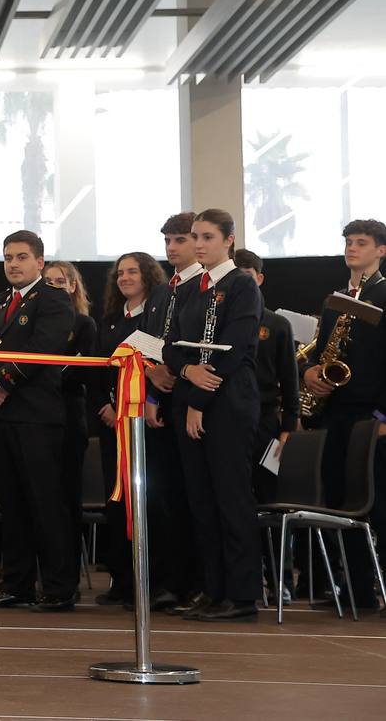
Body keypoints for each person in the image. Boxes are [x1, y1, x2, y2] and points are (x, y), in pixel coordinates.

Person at [162, 209, 263, 622]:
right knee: (201, 500)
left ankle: (241, 595)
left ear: (228, 240)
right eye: (195, 237)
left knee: (230, 498)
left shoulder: (241, 285)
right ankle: (213, 587)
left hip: (227, 404)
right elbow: (169, 346)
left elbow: (236, 347)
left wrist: (199, 400)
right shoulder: (190, 287)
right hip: (191, 402)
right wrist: (186, 372)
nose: (198, 244)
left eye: (206, 237)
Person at [0, 230, 76, 612]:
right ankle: (17, 583)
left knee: (45, 503)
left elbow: (41, 350)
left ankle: (60, 586)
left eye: (20, 257)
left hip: (36, 418)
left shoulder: (54, 300)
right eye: (8, 257)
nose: (12, 264)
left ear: (39, 262)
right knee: (11, 504)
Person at [300, 219, 386, 613]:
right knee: (339, 502)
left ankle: (378, 588)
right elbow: (319, 350)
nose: (352, 248)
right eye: (348, 242)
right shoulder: (334, 300)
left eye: (361, 242)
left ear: (380, 250)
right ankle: (355, 591)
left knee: (377, 505)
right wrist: (311, 372)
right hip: (335, 414)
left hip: (372, 416)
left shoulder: (384, 294)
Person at [87, 251, 176, 608]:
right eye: (120, 272)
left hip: (145, 427)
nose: (124, 278)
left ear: (148, 277)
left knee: (152, 503)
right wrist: (105, 407)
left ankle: (157, 584)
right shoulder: (108, 321)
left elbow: (158, 364)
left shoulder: (157, 321)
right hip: (113, 426)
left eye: (132, 272)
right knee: (116, 502)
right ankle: (122, 581)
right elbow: (95, 371)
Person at [142, 212, 204, 615]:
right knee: (162, 497)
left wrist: (175, 371)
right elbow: (147, 342)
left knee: (192, 496)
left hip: (192, 399)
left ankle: (197, 582)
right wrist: (150, 383)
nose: (172, 248)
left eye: (180, 240)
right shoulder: (164, 290)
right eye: (168, 240)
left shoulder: (206, 286)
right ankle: (170, 581)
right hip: (161, 399)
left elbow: (202, 344)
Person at [232, 249, 300, 505]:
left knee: (267, 490)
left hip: (265, 419)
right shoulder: (220, 320)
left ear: (259, 279)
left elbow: (290, 380)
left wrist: (288, 429)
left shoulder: (277, 324)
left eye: (246, 276)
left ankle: (271, 546)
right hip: (229, 416)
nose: (241, 282)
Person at [44, 260, 96, 583]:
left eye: (60, 281)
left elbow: (83, 372)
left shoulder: (83, 324)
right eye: (47, 281)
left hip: (69, 417)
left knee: (67, 497)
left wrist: (40, 381)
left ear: (73, 286)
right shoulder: (38, 323)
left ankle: (69, 575)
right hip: (39, 418)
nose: (54, 287)